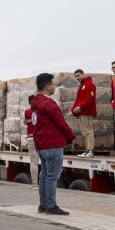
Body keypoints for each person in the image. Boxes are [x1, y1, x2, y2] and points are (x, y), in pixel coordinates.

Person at [30, 73, 74, 215]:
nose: (54, 87)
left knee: (44, 175)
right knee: (52, 177)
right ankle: (51, 205)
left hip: (42, 145)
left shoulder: (35, 104)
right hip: (53, 144)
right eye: (53, 84)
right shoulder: (48, 104)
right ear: (47, 86)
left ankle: (43, 204)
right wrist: (71, 137)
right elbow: (61, 123)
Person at [71, 68, 97, 157]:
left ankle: (90, 150)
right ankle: (87, 150)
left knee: (88, 131)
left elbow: (90, 98)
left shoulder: (89, 84)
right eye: (75, 76)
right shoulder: (83, 85)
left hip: (87, 111)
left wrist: (80, 107)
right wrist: (74, 108)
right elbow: (79, 99)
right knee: (84, 131)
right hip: (82, 112)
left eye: (78, 75)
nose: (77, 78)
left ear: (83, 74)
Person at [23, 94, 39, 191]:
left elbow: (24, 122)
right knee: (45, 162)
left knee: (34, 162)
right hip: (42, 138)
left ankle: (34, 184)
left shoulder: (26, 112)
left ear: (29, 102)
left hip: (31, 138)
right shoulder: (42, 111)